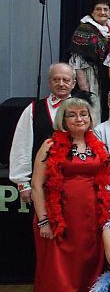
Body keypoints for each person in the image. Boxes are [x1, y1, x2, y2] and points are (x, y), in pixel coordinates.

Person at [29, 97, 110, 292]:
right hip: (59, 221)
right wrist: (44, 220)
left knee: (89, 272)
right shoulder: (50, 145)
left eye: (84, 114)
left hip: (91, 221)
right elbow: (37, 185)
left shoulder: (97, 144)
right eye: (73, 115)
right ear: (63, 119)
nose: (79, 119)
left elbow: (105, 181)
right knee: (59, 277)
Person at [10, 63, 77, 205]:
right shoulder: (33, 109)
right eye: (56, 79)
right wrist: (23, 183)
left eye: (66, 80)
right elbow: (21, 146)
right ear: (49, 82)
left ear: (73, 83)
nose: (61, 84)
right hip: (43, 184)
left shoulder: (84, 109)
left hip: (77, 182)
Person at [69, 0, 110, 120]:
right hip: (92, 76)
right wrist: (85, 90)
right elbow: (77, 61)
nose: (102, 12)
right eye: (98, 9)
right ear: (92, 12)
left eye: (106, 9)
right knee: (94, 111)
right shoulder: (84, 29)